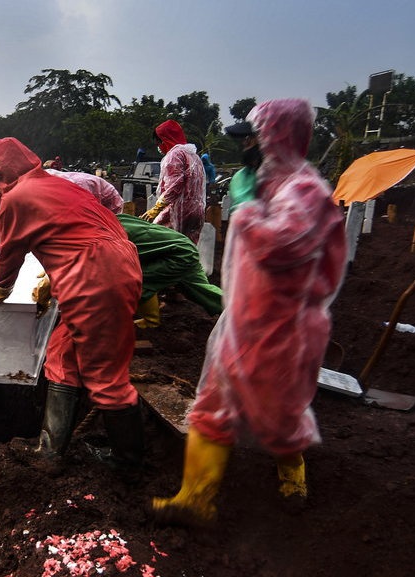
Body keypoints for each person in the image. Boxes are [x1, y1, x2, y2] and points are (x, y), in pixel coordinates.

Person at [152, 99, 348, 526]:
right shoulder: (253, 180)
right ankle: (196, 497)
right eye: (243, 139)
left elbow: (286, 247)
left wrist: (248, 214)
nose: (245, 146)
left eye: (253, 137)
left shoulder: (306, 191)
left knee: (278, 406)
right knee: (213, 399)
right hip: (243, 311)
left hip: (284, 321)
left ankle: (292, 478)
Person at [0, 137, 145, 473]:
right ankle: (49, 451)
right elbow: (77, 233)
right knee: (63, 351)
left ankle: (129, 464)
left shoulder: (16, 198)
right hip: (117, 264)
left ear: (1, 174)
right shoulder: (58, 184)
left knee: (105, 376)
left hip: (94, 277)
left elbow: (9, 255)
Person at [45, 169, 224, 328]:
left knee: (133, 280)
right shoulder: (108, 220)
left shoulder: (101, 234)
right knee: (203, 292)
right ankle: (242, 311)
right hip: (182, 246)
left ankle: (151, 322)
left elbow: (89, 266)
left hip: (177, 254)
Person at [140, 120, 206, 243]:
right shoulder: (194, 156)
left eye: (159, 142)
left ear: (165, 139)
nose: (159, 147)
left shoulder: (174, 155)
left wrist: (157, 208)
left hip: (178, 211)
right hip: (196, 212)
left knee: (157, 243)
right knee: (187, 249)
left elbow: (175, 186)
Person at [223, 121, 263, 210]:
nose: (244, 143)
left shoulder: (284, 177)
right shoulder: (243, 176)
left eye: (249, 138)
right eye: (245, 139)